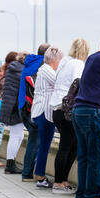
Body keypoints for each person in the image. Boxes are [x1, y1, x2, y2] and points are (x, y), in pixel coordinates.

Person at [72, 33, 100, 198]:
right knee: (96, 157)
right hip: (93, 112)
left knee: (84, 157)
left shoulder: (92, 58)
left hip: (80, 110)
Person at [49, 38, 90, 193]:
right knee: (67, 147)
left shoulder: (65, 63)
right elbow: (80, 84)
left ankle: (63, 181)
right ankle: (59, 183)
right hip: (68, 110)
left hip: (57, 109)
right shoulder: (78, 64)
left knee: (71, 146)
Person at [31, 47, 64, 189]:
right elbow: (60, 84)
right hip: (45, 112)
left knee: (42, 145)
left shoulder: (42, 69)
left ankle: (38, 173)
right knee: (45, 146)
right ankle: (41, 177)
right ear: (55, 60)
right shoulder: (48, 70)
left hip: (39, 111)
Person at [18, 43, 51, 182]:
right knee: (35, 141)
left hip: (23, 106)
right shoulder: (42, 66)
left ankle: (29, 172)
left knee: (33, 139)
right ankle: (28, 173)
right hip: (31, 108)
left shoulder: (29, 63)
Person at [0, 52, 29, 174]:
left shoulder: (13, 69)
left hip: (9, 106)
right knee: (16, 135)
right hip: (15, 107)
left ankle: (11, 163)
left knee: (17, 135)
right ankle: (10, 164)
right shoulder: (21, 71)